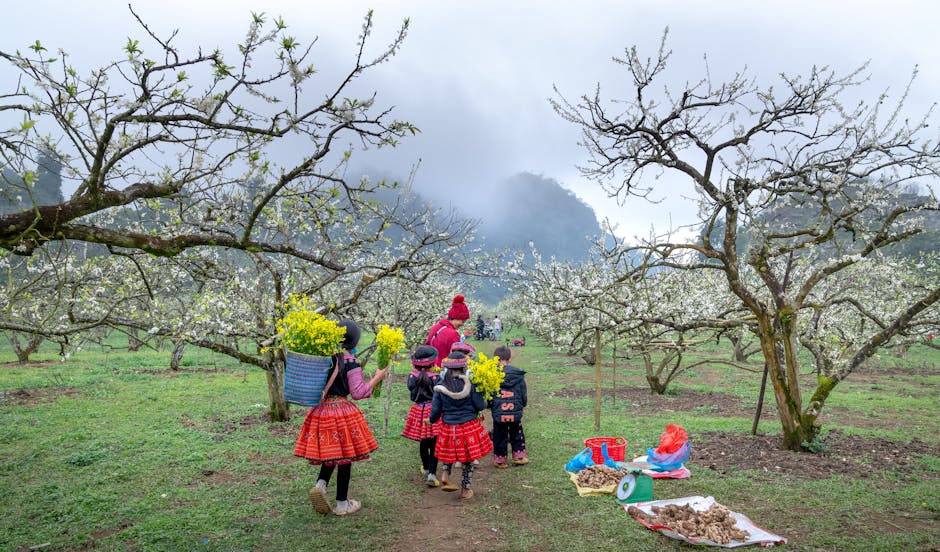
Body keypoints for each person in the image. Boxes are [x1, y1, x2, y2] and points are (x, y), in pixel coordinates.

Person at [294, 319, 388, 516]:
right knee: (345, 457)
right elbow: (358, 392)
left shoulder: (324, 357)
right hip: (341, 413)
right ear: (354, 342)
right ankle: (342, 504)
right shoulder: (350, 362)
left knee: (331, 452)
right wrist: (377, 378)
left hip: (321, 411)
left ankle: (320, 485)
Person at [426, 352, 493, 499]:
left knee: (449, 451)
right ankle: (465, 489)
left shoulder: (440, 386)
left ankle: (445, 474)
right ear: (464, 367)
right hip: (468, 426)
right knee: (469, 459)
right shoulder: (472, 383)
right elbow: (480, 405)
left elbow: (436, 411)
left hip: (448, 426)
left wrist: (431, 419)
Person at [402, 345, 442, 487]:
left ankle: (425, 468)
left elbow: (411, 390)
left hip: (418, 411)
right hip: (433, 411)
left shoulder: (412, 377)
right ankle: (432, 473)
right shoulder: (437, 377)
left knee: (423, 442)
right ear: (433, 363)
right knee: (434, 443)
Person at [490, 345, 529, 467]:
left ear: (495, 359)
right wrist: (523, 404)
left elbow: (490, 393)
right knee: (516, 432)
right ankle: (519, 457)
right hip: (514, 410)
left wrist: (491, 405)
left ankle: (500, 460)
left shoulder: (492, 374)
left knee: (499, 435)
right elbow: (523, 392)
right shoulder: (518, 374)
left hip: (499, 412)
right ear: (509, 359)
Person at [426, 294, 470, 367]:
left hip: (430, 367)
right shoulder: (453, 333)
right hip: (444, 369)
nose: (462, 324)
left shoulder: (434, 327)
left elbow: (427, 345)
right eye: (463, 321)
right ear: (456, 317)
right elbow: (457, 356)